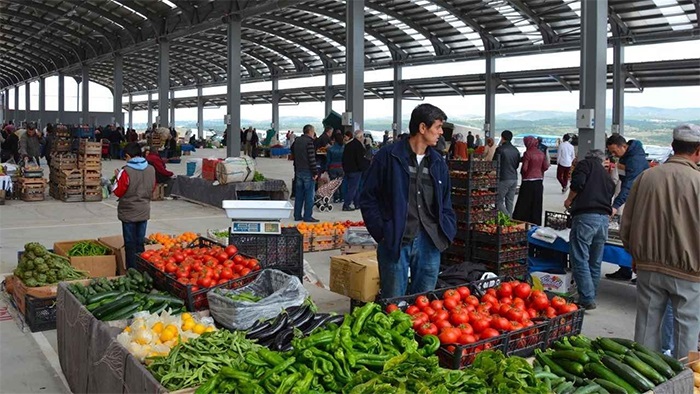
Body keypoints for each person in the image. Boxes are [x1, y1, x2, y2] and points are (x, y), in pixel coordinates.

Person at [360, 103, 456, 298]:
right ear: (422, 128)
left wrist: (446, 229)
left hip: (430, 241)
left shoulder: (438, 162)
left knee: (424, 305)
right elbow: (368, 197)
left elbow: (446, 201)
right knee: (394, 301)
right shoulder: (389, 157)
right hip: (396, 239)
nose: (440, 133)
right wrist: (382, 231)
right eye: (437, 127)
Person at [621, 124, 700, 359]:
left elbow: (628, 222)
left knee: (646, 325)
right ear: (698, 150)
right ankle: (684, 382)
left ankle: (646, 379)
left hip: (648, 267)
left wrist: (635, 254)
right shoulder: (697, 181)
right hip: (689, 271)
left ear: (672, 146)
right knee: (686, 330)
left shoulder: (646, 177)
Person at [564, 149, 615, 310]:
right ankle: (590, 295)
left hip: (586, 217)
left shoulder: (585, 165)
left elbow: (577, 183)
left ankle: (586, 297)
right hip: (603, 220)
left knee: (579, 258)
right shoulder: (606, 176)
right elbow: (612, 191)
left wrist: (569, 200)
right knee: (595, 260)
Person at [605, 134, 650, 281]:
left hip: (641, 200)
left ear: (623, 146)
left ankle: (641, 273)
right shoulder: (625, 156)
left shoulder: (635, 160)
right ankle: (625, 270)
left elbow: (629, 185)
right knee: (626, 234)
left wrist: (616, 205)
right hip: (631, 199)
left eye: (614, 151)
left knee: (638, 236)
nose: (613, 155)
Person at [113, 143, 156, 271]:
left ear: (127, 156)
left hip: (128, 212)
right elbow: (152, 188)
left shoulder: (125, 171)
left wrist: (117, 177)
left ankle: (132, 270)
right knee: (140, 242)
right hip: (144, 210)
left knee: (130, 243)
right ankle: (142, 269)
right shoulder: (151, 169)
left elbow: (118, 191)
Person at [513, 136, 550, 225]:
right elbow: (545, 166)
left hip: (528, 181)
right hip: (539, 181)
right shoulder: (541, 153)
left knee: (524, 203)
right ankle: (536, 222)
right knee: (536, 203)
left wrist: (523, 174)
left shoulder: (527, 153)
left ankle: (522, 221)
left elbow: (525, 168)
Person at [291, 124, 319, 222]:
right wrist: (315, 172)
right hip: (308, 171)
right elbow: (312, 158)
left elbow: (292, 151)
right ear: (310, 131)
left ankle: (297, 215)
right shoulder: (309, 142)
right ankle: (307, 216)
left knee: (299, 194)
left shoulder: (297, 140)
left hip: (298, 170)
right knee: (309, 195)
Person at [342, 130, 369, 211]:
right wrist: (365, 167)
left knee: (354, 188)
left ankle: (357, 203)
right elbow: (360, 159)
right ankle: (346, 204)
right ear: (360, 137)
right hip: (356, 170)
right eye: (363, 136)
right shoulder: (359, 146)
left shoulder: (348, 145)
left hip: (348, 169)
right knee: (353, 188)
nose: (363, 138)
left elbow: (344, 158)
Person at [495, 130, 521, 216]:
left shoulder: (500, 149)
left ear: (502, 138)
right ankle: (509, 223)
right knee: (509, 201)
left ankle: (508, 218)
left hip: (503, 178)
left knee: (497, 201)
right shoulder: (516, 150)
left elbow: (494, 163)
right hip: (514, 178)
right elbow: (517, 165)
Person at [326, 132, 345, 203]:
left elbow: (328, 160)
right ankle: (342, 197)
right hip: (341, 167)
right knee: (341, 183)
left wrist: (326, 168)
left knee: (333, 183)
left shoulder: (330, 149)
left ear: (334, 139)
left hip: (332, 167)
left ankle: (336, 197)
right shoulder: (344, 148)